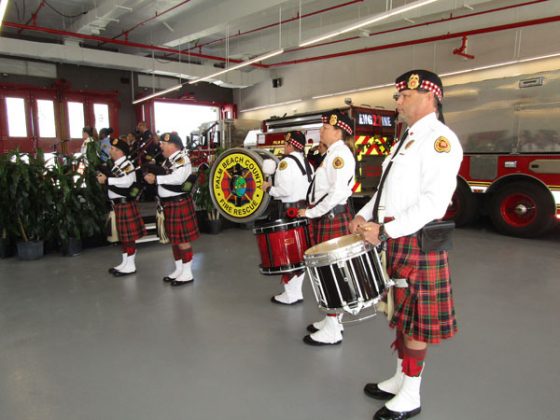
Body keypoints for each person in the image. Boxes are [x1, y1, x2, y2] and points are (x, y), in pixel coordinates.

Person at [350, 70, 462, 420]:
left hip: (416, 242)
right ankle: (400, 378)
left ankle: (411, 394)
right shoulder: (405, 139)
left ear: (431, 97)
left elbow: (434, 203)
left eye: (404, 95)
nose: (397, 101)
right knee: (400, 314)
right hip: (396, 238)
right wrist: (363, 214)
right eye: (398, 95)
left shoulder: (440, 140)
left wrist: (383, 231)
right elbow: (386, 192)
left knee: (415, 322)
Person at [297, 109, 356, 346]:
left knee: (330, 274)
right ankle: (333, 321)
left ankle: (333, 330)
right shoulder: (333, 153)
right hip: (329, 217)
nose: (321, 130)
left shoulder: (339, 155)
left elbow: (336, 194)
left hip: (331, 218)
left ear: (338, 131)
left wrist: (310, 212)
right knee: (328, 272)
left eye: (325, 128)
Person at [260, 131, 313, 305]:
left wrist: (268, 188)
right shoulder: (307, 163)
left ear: (291, 145)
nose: (284, 146)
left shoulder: (285, 163)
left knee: (287, 253)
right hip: (304, 210)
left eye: (285, 144)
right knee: (300, 253)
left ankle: (291, 295)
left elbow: (284, 191)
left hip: (289, 211)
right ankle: (296, 292)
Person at [144, 132, 200, 287]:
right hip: (169, 204)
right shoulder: (169, 160)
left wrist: (156, 179)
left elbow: (178, 179)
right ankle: (179, 269)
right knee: (175, 240)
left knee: (182, 240)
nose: (160, 146)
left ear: (173, 145)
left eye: (163, 144)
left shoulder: (182, 159)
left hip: (178, 203)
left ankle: (187, 272)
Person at [96, 138, 146, 276]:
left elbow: (127, 182)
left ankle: (130, 265)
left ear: (120, 152)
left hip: (125, 204)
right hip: (118, 205)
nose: (110, 150)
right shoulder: (116, 165)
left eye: (113, 148)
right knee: (124, 237)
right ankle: (125, 263)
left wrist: (107, 180)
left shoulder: (127, 165)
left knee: (128, 237)